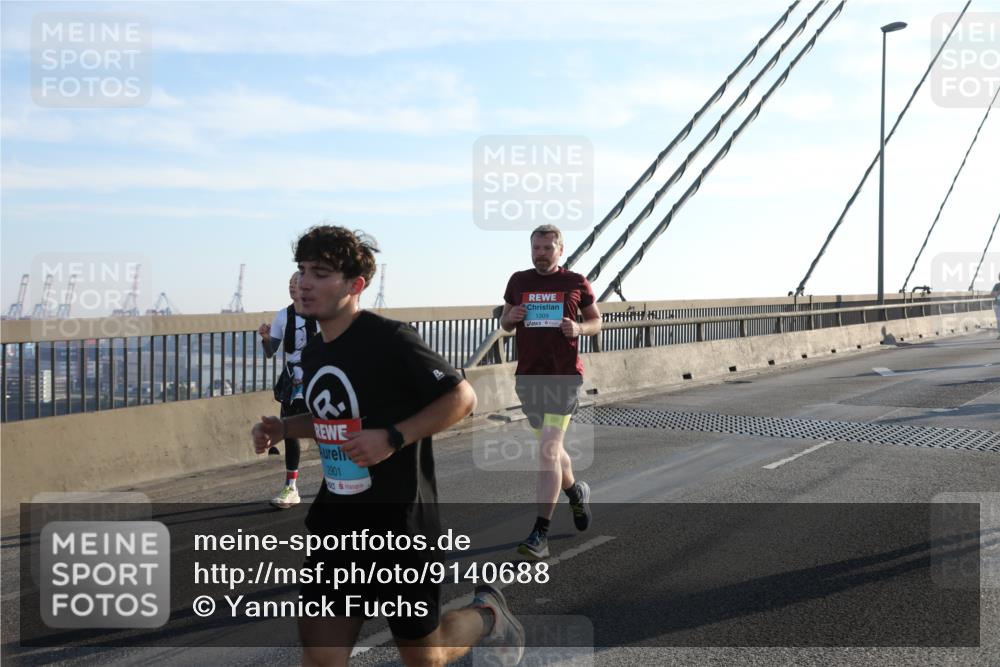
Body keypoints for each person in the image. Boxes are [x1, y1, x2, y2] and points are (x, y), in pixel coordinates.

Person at [251, 226, 523, 667]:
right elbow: (332, 418)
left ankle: (488, 616)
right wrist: (284, 428)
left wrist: (393, 437)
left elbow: (462, 398)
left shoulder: (391, 339)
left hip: (400, 523)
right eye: (301, 271)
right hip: (337, 522)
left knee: (426, 656)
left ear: (355, 285)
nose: (304, 282)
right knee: (320, 657)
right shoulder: (317, 352)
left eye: (320, 273)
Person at [500, 224, 601, 559]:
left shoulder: (575, 282)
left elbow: (596, 320)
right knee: (553, 452)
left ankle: (539, 533)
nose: (540, 254)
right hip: (528, 377)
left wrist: (579, 327)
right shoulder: (518, 281)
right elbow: (505, 322)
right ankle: (575, 493)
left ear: (560, 249)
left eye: (546, 248)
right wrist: (510, 316)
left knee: (546, 452)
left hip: (563, 377)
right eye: (535, 248)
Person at [258, 272, 318, 509]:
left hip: (318, 377)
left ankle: (346, 481)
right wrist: (265, 338)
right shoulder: (284, 315)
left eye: (298, 283)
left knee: (326, 430)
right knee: (290, 430)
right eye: (290, 284)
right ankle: (291, 487)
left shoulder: (321, 313)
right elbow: (271, 350)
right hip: (294, 381)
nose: (294, 288)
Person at [991, 273, 1000, 339]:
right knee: (999, 320)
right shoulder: (997, 285)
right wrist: (998, 291)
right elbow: (992, 294)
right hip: (998, 305)